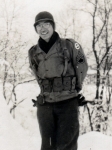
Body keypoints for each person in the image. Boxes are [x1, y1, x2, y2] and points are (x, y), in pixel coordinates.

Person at [28, 11, 88, 150]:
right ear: (36, 29)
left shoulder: (71, 45)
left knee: (66, 144)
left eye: (47, 24)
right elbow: (37, 76)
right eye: (39, 25)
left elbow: (82, 66)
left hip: (67, 103)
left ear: (53, 26)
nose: (43, 28)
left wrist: (75, 89)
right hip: (46, 104)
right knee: (47, 145)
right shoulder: (33, 52)